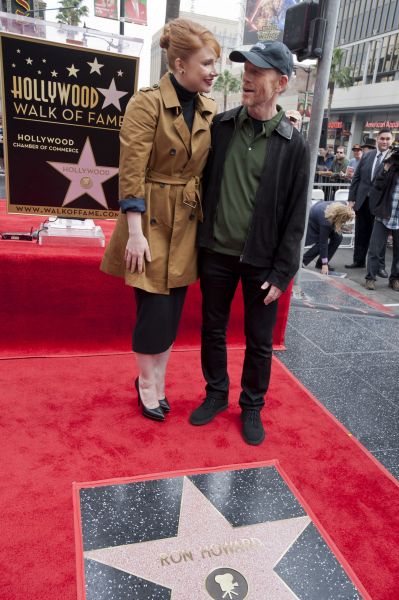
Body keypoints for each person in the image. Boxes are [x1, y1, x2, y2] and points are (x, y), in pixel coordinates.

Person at [189, 41, 310, 445]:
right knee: (213, 329)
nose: (248, 76)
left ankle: (252, 406)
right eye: (246, 68)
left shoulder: (294, 144)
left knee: (260, 342)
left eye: (258, 71)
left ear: (281, 83)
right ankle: (216, 394)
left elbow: (296, 216)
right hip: (217, 254)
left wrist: (283, 271)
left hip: (262, 262)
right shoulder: (221, 127)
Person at [100, 18, 220, 421]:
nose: (214, 71)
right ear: (180, 64)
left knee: (174, 309)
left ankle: (159, 379)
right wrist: (134, 234)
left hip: (186, 218)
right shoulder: (146, 101)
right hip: (149, 218)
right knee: (153, 308)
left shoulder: (208, 108)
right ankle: (147, 383)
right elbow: (130, 169)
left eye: (216, 63)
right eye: (207, 63)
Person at [345, 128, 393, 273]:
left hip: (380, 204)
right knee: (361, 232)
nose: (384, 141)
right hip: (362, 201)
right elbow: (357, 178)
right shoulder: (367, 155)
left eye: (387, 139)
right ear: (377, 139)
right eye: (382, 138)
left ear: (391, 141)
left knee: (379, 237)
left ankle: (380, 267)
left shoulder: (394, 159)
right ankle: (358, 261)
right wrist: (352, 199)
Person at [365, 146, 399, 291]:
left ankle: (395, 279)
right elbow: (378, 186)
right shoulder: (391, 165)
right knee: (375, 248)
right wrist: (385, 170)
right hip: (384, 213)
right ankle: (370, 278)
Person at [303, 201, 354, 274]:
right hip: (315, 220)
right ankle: (304, 261)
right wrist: (325, 264)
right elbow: (323, 243)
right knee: (321, 242)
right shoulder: (326, 222)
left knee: (338, 238)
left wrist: (342, 226)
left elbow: (339, 218)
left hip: (325, 214)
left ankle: (320, 263)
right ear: (338, 218)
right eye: (343, 221)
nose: (344, 222)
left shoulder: (342, 205)